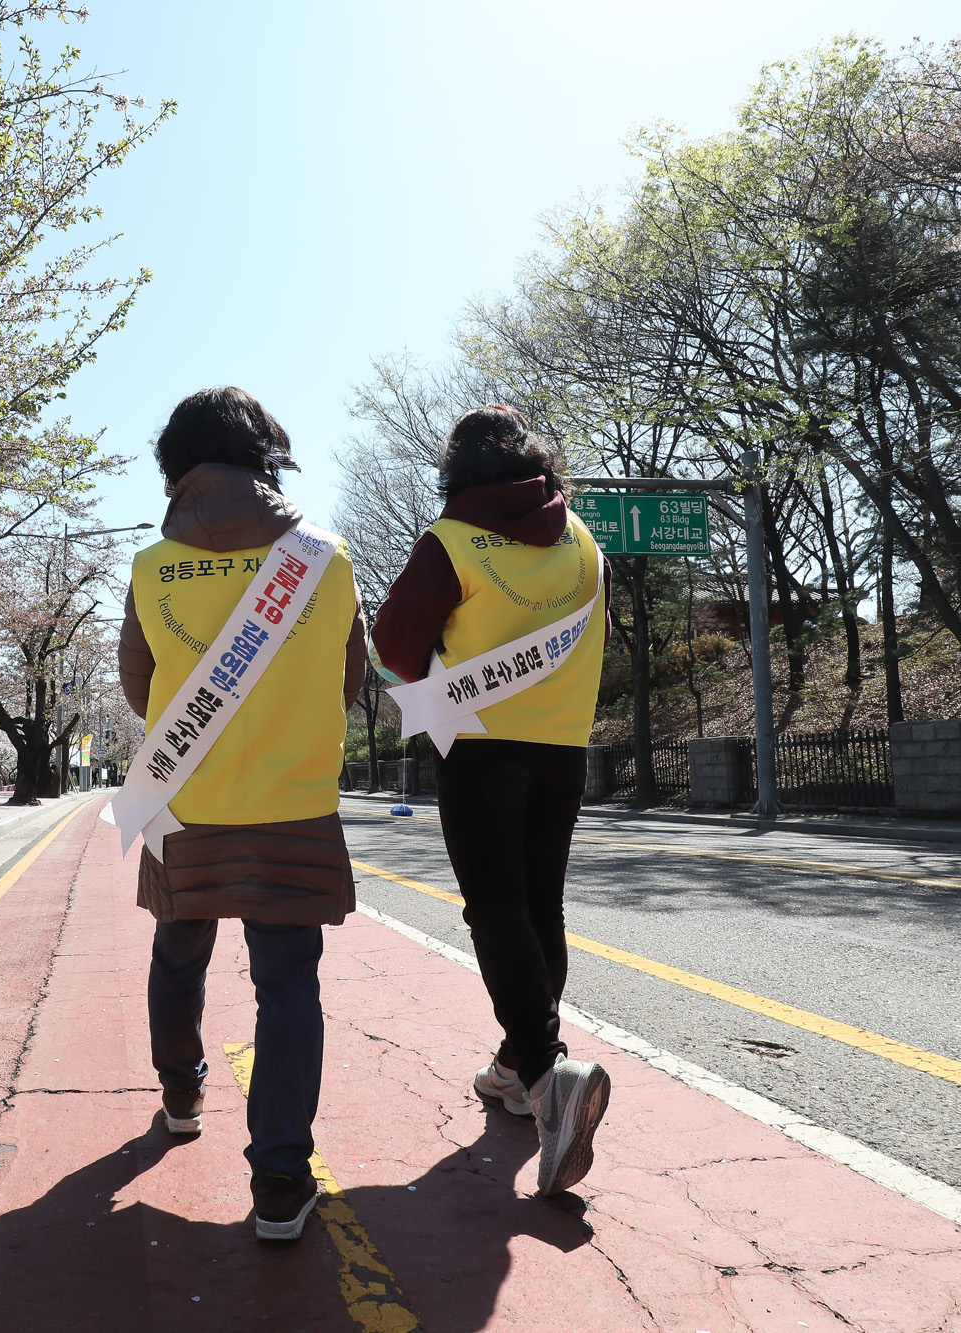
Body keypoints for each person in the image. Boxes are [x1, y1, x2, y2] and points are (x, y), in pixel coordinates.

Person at [115, 386, 366, 1241]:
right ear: (266, 455)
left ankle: (182, 1094)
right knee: (288, 981)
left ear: (178, 468)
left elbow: (140, 689)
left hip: (186, 804)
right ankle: (282, 1179)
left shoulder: (152, 567)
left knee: (178, 949)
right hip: (294, 808)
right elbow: (349, 680)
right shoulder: (326, 558)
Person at [370, 403, 611, 1198]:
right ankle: (515, 1066)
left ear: (457, 472)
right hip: (563, 747)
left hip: (479, 748)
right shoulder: (585, 543)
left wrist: (445, 665)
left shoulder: (451, 541)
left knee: (496, 905)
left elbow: (393, 644)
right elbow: (601, 639)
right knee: (541, 905)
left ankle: (546, 1076)